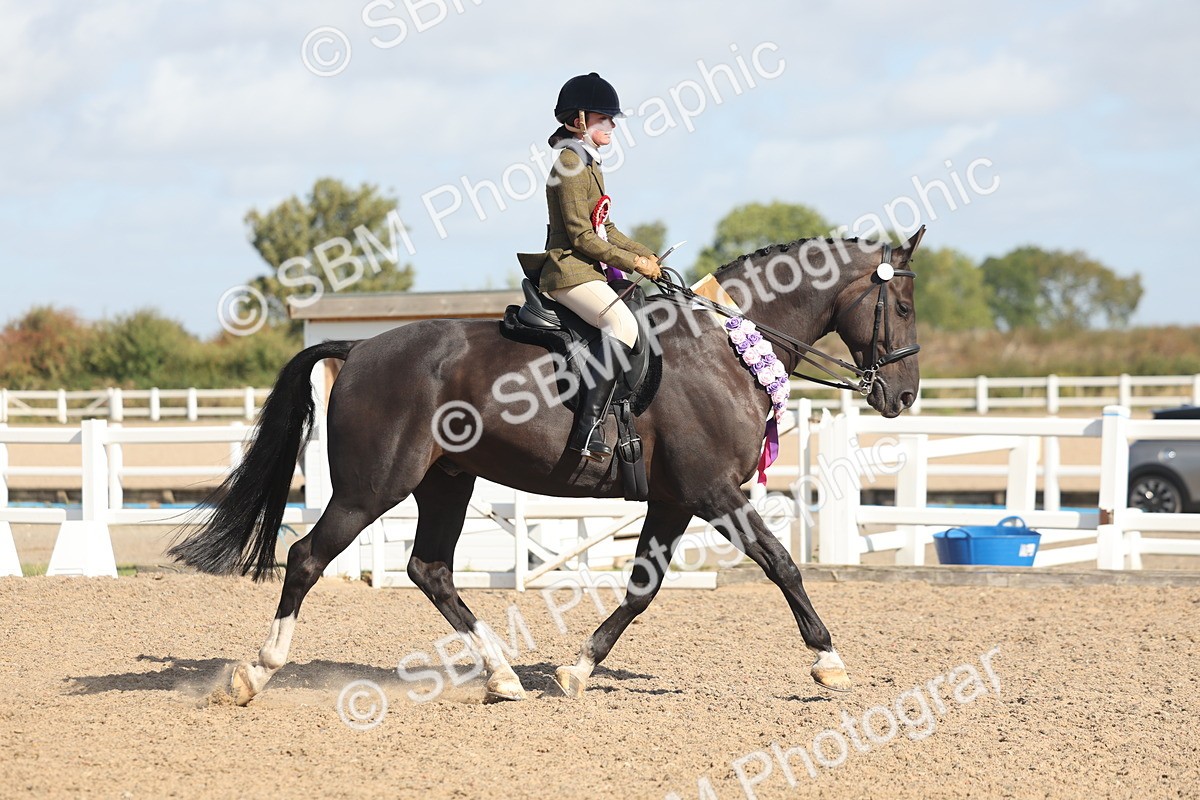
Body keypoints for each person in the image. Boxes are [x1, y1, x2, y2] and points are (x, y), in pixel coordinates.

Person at [517, 73, 662, 462]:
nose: (612, 126)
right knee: (623, 325)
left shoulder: (587, 163)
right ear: (578, 120)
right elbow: (583, 238)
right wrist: (633, 263)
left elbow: (606, 227)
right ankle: (587, 429)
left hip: (587, 269)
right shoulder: (569, 165)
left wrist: (649, 256)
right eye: (604, 119)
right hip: (568, 271)